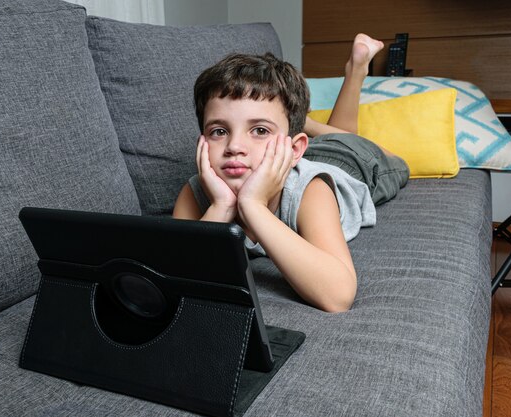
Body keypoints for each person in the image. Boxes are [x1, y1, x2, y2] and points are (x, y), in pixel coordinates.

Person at [173, 34, 408, 312]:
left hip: (353, 163)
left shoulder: (311, 191)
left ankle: (353, 74)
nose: (234, 146)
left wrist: (252, 205)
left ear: (295, 149)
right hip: (299, 153)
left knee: (386, 155)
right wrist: (221, 206)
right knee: (335, 137)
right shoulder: (196, 190)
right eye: (219, 131)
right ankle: (306, 121)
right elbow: (172, 277)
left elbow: (338, 296)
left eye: (259, 130)